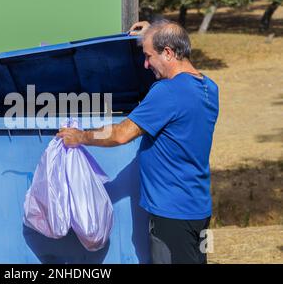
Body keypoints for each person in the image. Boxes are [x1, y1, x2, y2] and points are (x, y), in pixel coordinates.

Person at [57, 20, 219, 264]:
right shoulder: (209, 87)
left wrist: (80, 136)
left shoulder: (167, 92)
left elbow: (121, 134)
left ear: (168, 53)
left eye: (148, 56)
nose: (145, 64)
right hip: (197, 206)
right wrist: (154, 30)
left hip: (171, 213)